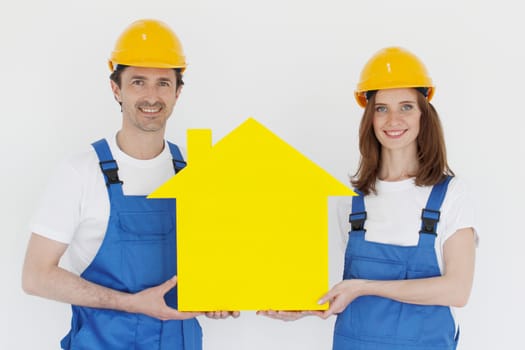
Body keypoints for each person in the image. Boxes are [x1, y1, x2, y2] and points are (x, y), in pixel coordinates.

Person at [22, 19, 238, 350]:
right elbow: (36, 276)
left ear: (178, 91)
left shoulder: (196, 172)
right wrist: (131, 303)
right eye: (138, 81)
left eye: (163, 83)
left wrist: (220, 296)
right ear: (116, 89)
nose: (151, 96)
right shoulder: (81, 172)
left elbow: (214, 268)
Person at [260, 47, 477, 350]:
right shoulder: (350, 203)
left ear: (423, 114)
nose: (393, 119)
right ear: (370, 117)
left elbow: (457, 290)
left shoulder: (450, 194)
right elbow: (339, 290)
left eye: (406, 107)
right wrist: (305, 306)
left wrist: (364, 288)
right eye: (381, 108)